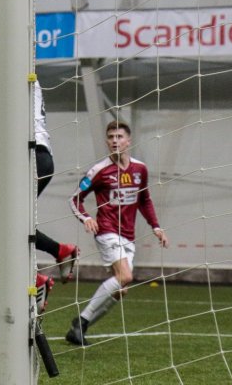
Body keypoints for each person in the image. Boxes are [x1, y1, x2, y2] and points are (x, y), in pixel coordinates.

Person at [65, 120, 170, 346]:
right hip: (107, 231)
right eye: (111, 137)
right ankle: (81, 322)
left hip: (128, 236)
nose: (115, 141)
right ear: (106, 141)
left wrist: (156, 227)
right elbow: (75, 199)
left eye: (119, 136)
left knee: (121, 289)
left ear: (128, 141)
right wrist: (87, 217)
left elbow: (145, 200)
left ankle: (79, 327)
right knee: (125, 276)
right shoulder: (99, 171)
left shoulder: (140, 169)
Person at [33, 82, 79, 282]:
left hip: (33, 156)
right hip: (35, 156)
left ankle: (36, 278)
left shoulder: (16, 70)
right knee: (7, 222)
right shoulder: (21, 71)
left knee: (2, 222)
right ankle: (59, 252)